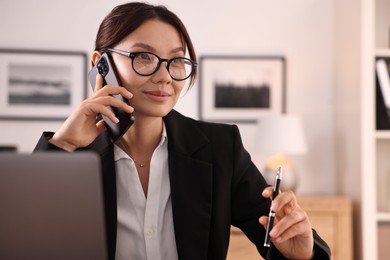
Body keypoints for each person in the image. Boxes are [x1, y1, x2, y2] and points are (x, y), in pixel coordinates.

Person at [34, 2, 331, 260]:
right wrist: (64, 143)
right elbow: (21, 235)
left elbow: (276, 234)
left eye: (176, 61)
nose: (164, 76)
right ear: (101, 64)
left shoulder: (220, 148)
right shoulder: (70, 154)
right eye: (143, 57)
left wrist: (301, 253)